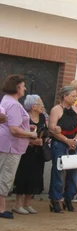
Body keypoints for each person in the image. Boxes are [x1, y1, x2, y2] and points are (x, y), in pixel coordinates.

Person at [0, 75, 38, 219]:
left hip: (6, 144)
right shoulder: (14, 104)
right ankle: (1, 208)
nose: (25, 88)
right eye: (23, 86)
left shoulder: (6, 100)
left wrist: (27, 127)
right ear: (17, 87)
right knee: (6, 177)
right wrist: (31, 134)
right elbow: (14, 129)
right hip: (11, 146)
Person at [48, 86, 77, 213]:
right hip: (60, 144)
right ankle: (55, 200)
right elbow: (52, 128)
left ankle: (68, 198)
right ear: (65, 96)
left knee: (74, 174)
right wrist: (66, 140)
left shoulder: (76, 109)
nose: (75, 98)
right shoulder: (56, 110)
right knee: (58, 173)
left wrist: (75, 140)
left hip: (74, 144)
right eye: (73, 96)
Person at [12, 95, 48, 215]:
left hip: (38, 152)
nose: (42, 106)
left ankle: (28, 204)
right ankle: (18, 205)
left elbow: (45, 132)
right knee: (23, 176)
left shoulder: (42, 117)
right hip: (25, 151)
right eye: (40, 104)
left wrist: (43, 139)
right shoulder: (25, 117)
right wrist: (32, 141)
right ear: (33, 107)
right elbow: (19, 133)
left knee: (34, 176)